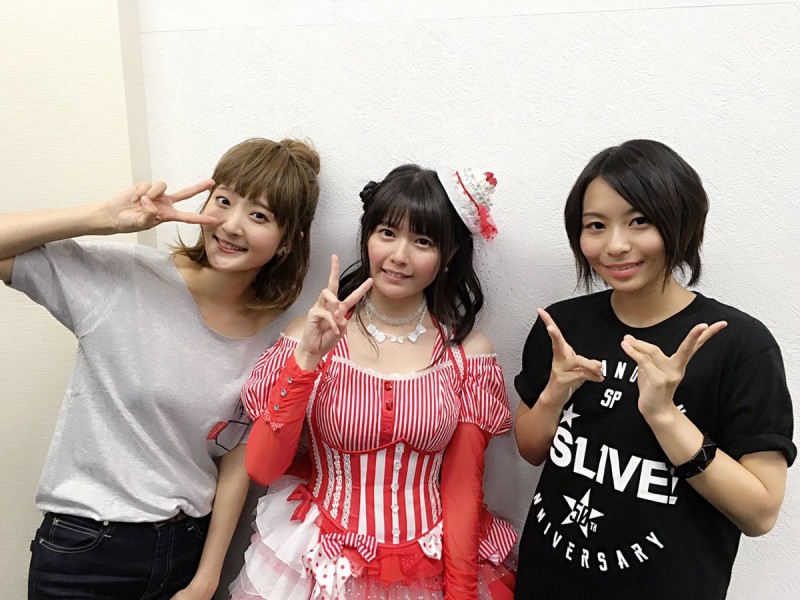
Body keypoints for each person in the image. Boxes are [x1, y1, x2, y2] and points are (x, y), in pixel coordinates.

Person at [0, 137, 321, 600]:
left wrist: (206, 578)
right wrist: (104, 218)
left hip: (185, 551)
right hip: (87, 549)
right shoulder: (127, 280)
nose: (231, 225)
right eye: (224, 201)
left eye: (259, 216)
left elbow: (237, 458)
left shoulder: (278, 336)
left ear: (288, 240)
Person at [513, 139, 795, 599]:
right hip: (547, 582)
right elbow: (530, 450)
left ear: (680, 219)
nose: (615, 245)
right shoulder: (563, 326)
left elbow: (759, 513)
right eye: (596, 225)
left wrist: (665, 416)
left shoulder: (740, 345)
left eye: (639, 220)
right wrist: (553, 394)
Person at [230, 165, 517, 599]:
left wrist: (460, 594)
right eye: (387, 233)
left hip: (428, 564)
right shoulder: (311, 336)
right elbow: (262, 469)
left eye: (422, 241)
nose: (399, 255)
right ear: (367, 237)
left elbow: (462, 488)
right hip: (318, 560)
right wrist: (306, 360)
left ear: (449, 255)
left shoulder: (465, 354)